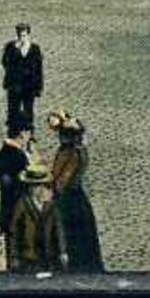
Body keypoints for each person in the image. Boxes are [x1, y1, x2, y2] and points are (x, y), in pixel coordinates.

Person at [47, 113, 105, 272]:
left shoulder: (73, 154)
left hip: (70, 201)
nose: (60, 138)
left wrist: (49, 183)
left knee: (73, 236)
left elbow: (62, 182)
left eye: (63, 135)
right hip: (76, 197)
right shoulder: (75, 150)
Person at [7, 163, 67, 273]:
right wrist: (14, 257)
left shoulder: (51, 205)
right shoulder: (22, 204)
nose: (38, 189)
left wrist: (62, 251)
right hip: (29, 257)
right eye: (34, 186)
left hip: (48, 256)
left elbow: (58, 230)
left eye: (41, 185)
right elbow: (14, 232)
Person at [2, 23, 44, 134]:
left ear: (28, 35)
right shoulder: (10, 47)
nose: (22, 38)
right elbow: (5, 63)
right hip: (15, 85)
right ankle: (13, 132)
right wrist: (16, 51)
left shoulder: (35, 48)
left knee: (28, 109)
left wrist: (39, 87)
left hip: (29, 85)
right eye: (20, 35)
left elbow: (39, 68)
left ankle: (29, 131)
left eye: (24, 35)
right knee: (13, 109)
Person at [0, 126, 33, 237]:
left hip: (7, 206)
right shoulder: (18, 153)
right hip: (17, 203)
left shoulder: (3, 152)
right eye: (28, 133)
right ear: (22, 133)